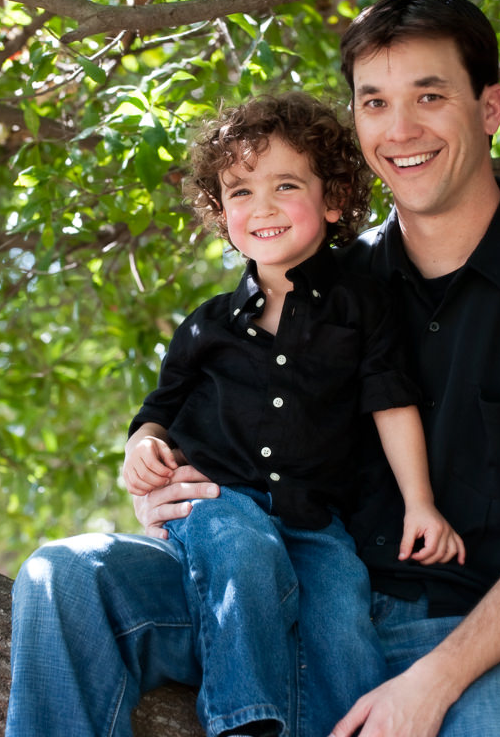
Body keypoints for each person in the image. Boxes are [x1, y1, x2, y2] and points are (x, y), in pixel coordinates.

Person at [7, 0, 500, 737]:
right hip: (269, 586)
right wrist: (164, 485)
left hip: (442, 627)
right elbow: (219, 411)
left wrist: (430, 686)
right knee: (64, 578)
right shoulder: (316, 281)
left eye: (430, 96)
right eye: (375, 103)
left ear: (490, 109)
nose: (401, 129)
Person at [121, 92, 464, 737]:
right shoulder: (206, 326)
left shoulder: (362, 305)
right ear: (222, 215)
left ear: (333, 200)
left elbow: (391, 402)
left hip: (315, 517)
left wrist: (421, 504)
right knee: (242, 549)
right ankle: (244, 724)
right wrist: (142, 448)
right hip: (218, 499)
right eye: (240, 192)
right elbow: (157, 411)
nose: (263, 207)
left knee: (341, 613)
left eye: (285, 185)